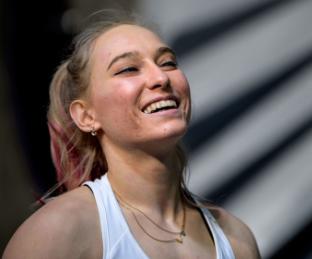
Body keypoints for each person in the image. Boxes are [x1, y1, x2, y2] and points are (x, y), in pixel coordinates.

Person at [3, 11, 261, 259]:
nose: (160, 77)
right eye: (128, 69)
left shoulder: (237, 239)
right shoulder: (58, 230)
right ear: (86, 116)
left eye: (168, 63)